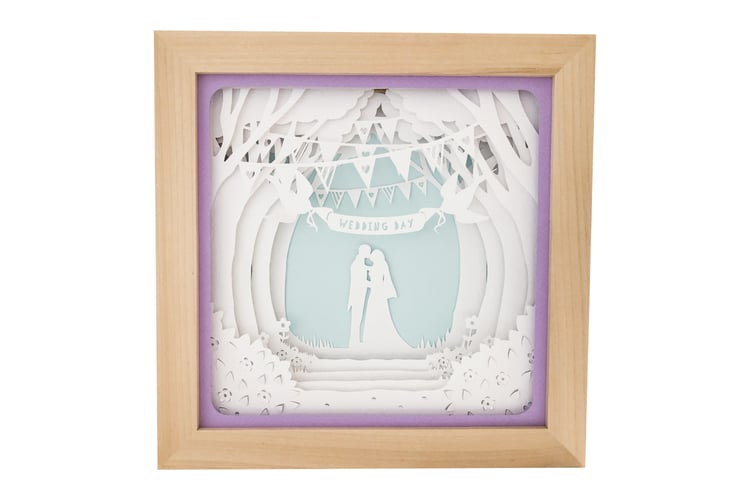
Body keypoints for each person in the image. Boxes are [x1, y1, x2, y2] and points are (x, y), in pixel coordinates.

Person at [347, 244, 371, 347]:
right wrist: (374, 284)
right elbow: (361, 281)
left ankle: (355, 341)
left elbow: (366, 270)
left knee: (358, 318)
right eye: (368, 252)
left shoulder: (360, 263)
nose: (369, 254)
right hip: (357, 295)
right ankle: (354, 342)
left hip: (360, 294)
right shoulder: (357, 264)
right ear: (364, 252)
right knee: (357, 319)